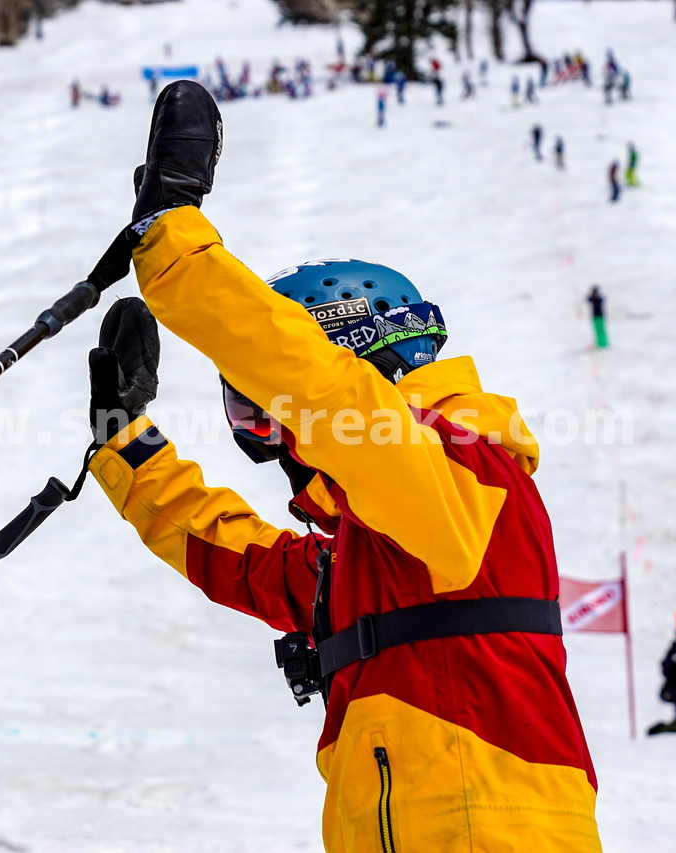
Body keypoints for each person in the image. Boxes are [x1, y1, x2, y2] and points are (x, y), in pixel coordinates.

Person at [87, 80, 603, 852]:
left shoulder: (468, 470)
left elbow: (327, 396)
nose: (270, 433)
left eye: (264, 403)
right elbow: (229, 554)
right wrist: (122, 443)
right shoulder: (361, 554)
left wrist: (177, 249)